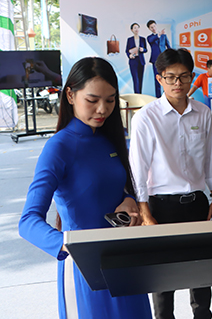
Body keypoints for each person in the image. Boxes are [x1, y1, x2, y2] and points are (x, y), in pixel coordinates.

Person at [18, 57, 152, 319]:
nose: (102, 109)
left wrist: (128, 200)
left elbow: (117, 187)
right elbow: (28, 221)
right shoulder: (59, 147)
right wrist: (70, 246)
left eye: (110, 100)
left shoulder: (108, 139)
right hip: (85, 270)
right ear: (70, 95)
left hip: (125, 261)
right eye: (92, 100)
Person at [129, 48, 212, 319]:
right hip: (161, 207)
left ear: (192, 76)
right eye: (170, 77)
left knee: (201, 274)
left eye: (184, 76)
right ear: (160, 79)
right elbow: (138, 167)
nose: (178, 83)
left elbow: (209, 156)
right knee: (163, 279)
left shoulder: (203, 113)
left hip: (197, 203)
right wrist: (144, 211)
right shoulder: (146, 117)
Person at [147, 20, 171, 98]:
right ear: (149, 29)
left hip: (164, 59)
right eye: (151, 27)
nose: (153, 28)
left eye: (154, 26)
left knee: (166, 77)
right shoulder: (150, 37)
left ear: (156, 25)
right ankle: (158, 97)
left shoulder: (164, 35)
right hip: (155, 60)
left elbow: (168, 46)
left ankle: (167, 95)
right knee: (157, 78)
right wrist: (159, 34)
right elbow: (151, 40)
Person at [126, 22, 148, 94]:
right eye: (135, 28)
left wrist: (143, 49)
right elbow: (127, 50)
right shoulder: (129, 39)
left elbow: (146, 49)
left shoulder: (143, 39)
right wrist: (129, 55)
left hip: (141, 61)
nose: (136, 29)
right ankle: (137, 95)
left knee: (140, 79)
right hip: (133, 61)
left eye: (137, 27)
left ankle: (140, 95)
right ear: (132, 30)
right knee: (135, 80)